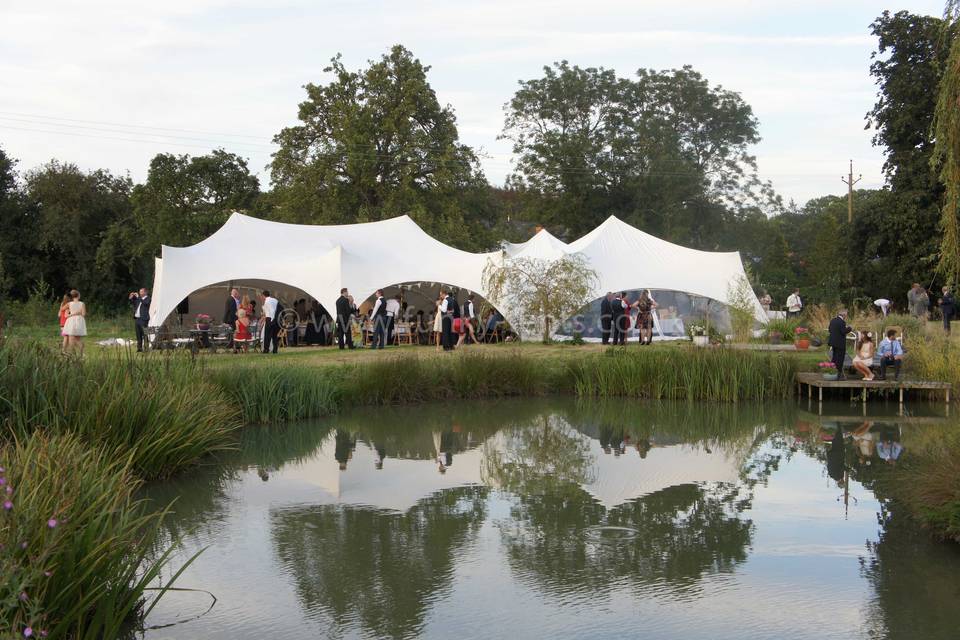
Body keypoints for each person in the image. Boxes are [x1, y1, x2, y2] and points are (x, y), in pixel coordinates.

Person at [828, 309, 853, 380]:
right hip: (840, 343)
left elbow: (830, 329)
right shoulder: (842, 322)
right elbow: (843, 332)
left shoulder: (833, 320)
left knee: (834, 357)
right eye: (846, 314)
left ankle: (832, 372)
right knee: (840, 359)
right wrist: (850, 328)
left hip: (833, 342)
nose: (846, 316)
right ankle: (838, 376)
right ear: (844, 315)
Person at [62, 289, 87, 355]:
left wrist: (69, 312)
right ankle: (81, 353)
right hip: (79, 321)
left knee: (71, 337)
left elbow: (62, 309)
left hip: (71, 320)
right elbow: (84, 314)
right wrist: (77, 313)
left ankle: (72, 353)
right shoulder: (82, 303)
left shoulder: (69, 304)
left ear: (72, 296)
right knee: (78, 338)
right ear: (78, 295)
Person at [128, 288, 151, 352]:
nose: (140, 293)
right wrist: (131, 297)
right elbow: (133, 302)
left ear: (145, 292)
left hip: (144, 319)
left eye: (141, 292)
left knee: (145, 334)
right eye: (139, 292)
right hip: (137, 319)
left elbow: (145, 303)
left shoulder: (148, 299)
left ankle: (146, 348)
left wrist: (138, 297)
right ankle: (139, 348)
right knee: (138, 334)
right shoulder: (139, 299)